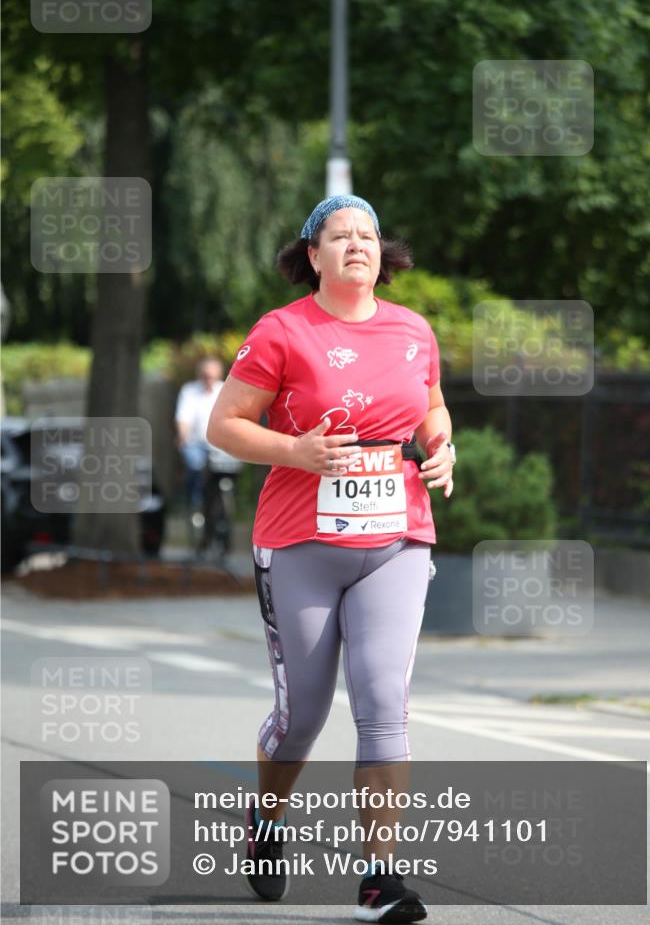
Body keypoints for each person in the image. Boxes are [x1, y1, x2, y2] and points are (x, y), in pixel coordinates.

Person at [206, 195, 455, 923]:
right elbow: (226, 425)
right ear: (311, 255)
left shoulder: (413, 330)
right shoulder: (281, 332)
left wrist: (441, 445)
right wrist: (295, 451)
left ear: (384, 252)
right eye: (338, 235)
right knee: (303, 713)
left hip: (397, 537)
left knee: (382, 705)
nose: (356, 245)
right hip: (299, 543)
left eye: (368, 235)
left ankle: (380, 878)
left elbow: (431, 406)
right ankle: (267, 821)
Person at [174, 356, 224, 510]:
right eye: (206, 376)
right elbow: (183, 418)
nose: (208, 380)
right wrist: (183, 435)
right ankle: (194, 504)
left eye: (212, 376)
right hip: (196, 442)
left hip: (221, 444)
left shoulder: (224, 390)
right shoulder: (190, 391)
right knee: (195, 466)